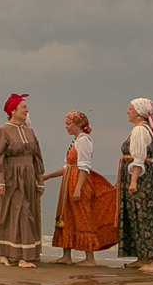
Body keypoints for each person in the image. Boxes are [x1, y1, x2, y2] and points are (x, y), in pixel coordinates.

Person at [44, 110, 117, 263]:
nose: (66, 127)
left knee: (83, 216)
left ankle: (90, 258)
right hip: (69, 182)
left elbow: (84, 166)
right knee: (67, 216)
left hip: (79, 182)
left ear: (78, 124)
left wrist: (78, 188)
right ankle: (66, 256)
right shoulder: (76, 140)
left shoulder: (84, 140)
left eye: (68, 124)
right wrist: (48, 176)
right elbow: (68, 167)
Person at [0, 93, 44, 268]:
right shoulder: (2, 131)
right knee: (12, 214)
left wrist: (39, 180)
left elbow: (37, 157)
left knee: (28, 213)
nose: (27, 110)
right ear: (13, 111)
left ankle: (24, 255)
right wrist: (0, 181)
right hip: (12, 177)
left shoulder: (29, 132)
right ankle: (8, 254)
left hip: (28, 177)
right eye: (23, 107)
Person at [115, 97, 153, 273]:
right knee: (137, 217)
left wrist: (133, 180)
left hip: (141, 180)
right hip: (141, 178)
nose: (127, 112)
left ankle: (150, 261)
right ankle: (142, 257)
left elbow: (138, 158)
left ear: (139, 113)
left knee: (143, 217)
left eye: (130, 109)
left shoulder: (139, 130)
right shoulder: (145, 129)